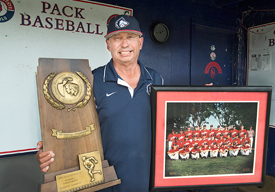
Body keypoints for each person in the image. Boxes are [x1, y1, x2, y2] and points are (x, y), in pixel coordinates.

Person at [36, 15, 163, 192]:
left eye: (130, 37)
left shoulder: (156, 78)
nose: (124, 44)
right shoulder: (91, 81)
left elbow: (169, 124)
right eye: (117, 38)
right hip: (106, 182)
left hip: (151, 180)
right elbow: (72, 128)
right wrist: (52, 150)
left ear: (140, 42)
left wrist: (202, 99)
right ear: (108, 45)